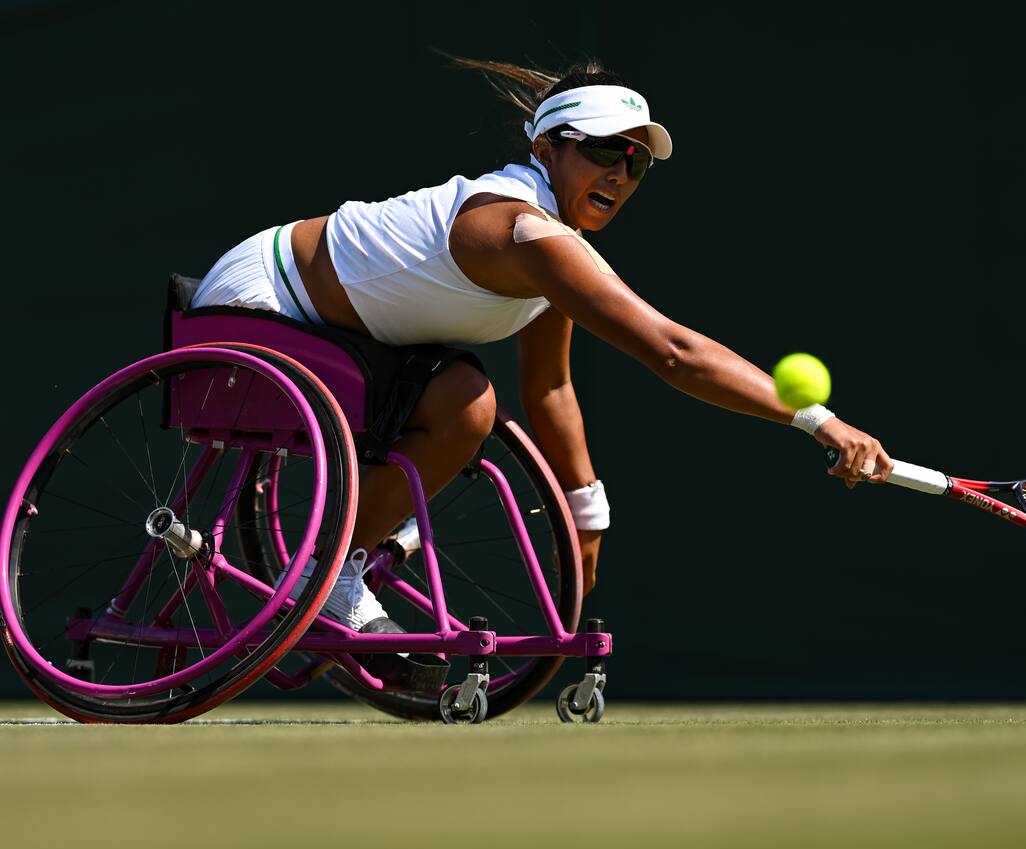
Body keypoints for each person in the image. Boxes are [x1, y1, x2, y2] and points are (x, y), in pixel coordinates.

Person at [188, 53, 894, 681]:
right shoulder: (523, 232)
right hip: (258, 302)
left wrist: (584, 513)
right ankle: (322, 575)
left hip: (330, 330)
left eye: (635, 163)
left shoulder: (557, 245)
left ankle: (327, 568)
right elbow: (674, 353)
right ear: (546, 149)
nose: (619, 175)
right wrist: (817, 419)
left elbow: (550, 386)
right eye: (602, 153)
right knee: (464, 399)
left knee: (465, 399)